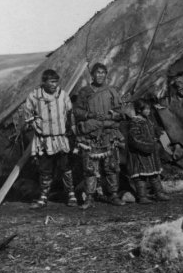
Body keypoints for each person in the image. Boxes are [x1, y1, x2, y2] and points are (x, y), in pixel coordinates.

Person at [73, 62, 126, 206]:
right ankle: (89, 197)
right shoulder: (85, 92)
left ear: (106, 74)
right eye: (97, 72)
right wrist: (91, 115)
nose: (100, 75)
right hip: (91, 135)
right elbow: (77, 111)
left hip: (109, 133)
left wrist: (113, 115)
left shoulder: (112, 91)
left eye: (103, 72)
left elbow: (121, 112)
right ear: (92, 75)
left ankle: (113, 195)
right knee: (90, 168)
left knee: (112, 166)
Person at [24, 69, 76, 209]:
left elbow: (70, 113)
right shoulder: (34, 96)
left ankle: (71, 194)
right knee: (45, 169)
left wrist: (71, 131)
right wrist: (37, 127)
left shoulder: (63, 95)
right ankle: (43, 196)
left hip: (61, 138)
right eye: (51, 82)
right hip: (44, 140)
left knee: (66, 167)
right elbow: (27, 115)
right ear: (44, 82)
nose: (54, 85)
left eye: (56, 82)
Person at [127, 99, 171, 204]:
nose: (148, 111)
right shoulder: (134, 123)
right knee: (140, 177)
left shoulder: (148, 120)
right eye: (146, 109)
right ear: (138, 110)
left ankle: (159, 193)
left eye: (149, 109)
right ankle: (142, 196)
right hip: (140, 155)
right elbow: (135, 138)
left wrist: (158, 131)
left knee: (154, 175)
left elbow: (153, 128)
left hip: (150, 155)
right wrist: (148, 144)